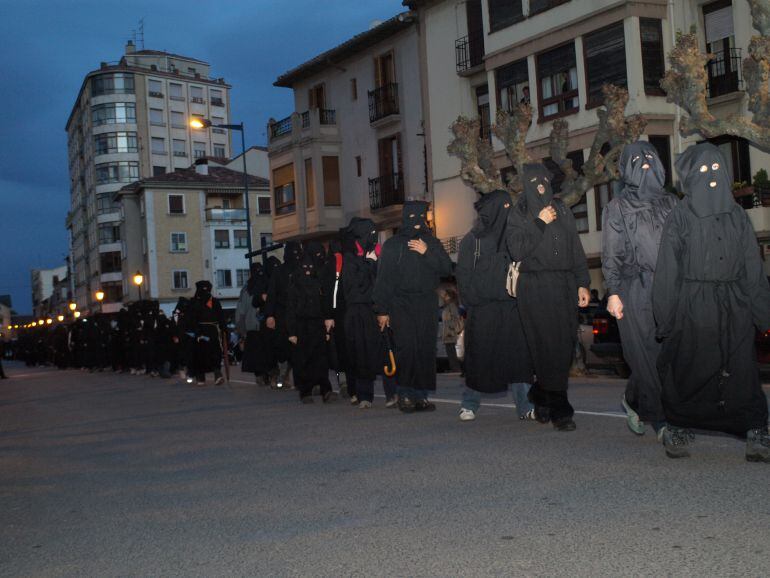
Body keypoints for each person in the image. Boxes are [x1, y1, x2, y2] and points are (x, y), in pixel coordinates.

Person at [653, 143, 770, 462]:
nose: (711, 177)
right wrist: (666, 318)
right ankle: (678, 426)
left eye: (717, 169)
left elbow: (752, 267)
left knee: (742, 370)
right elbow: (667, 270)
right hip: (694, 304)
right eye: (702, 171)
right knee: (691, 369)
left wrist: (764, 315)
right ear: (690, 177)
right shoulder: (681, 216)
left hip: (735, 305)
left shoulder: (737, 216)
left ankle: (756, 431)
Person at [602, 141, 678, 438]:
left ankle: (633, 399)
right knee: (644, 354)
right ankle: (661, 421)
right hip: (635, 289)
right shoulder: (617, 207)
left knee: (667, 355)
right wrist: (614, 292)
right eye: (637, 162)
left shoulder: (670, 202)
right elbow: (611, 253)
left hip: (670, 288)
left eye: (650, 159)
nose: (645, 165)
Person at [507, 163, 591, 431]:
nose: (540, 185)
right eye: (534, 181)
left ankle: (541, 396)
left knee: (564, 346)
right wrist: (539, 222)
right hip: (534, 287)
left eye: (544, 180)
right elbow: (517, 250)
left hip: (564, 285)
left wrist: (582, 283)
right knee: (545, 348)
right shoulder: (518, 213)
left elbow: (576, 248)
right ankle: (561, 410)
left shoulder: (563, 209)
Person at [455, 190, 536, 422]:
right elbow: (463, 273)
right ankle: (469, 404)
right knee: (479, 356)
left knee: (519, 359)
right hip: (483, 310)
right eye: (504, 207)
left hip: (512, 307)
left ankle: (526, 405)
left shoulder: (514, 236)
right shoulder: (473, 239)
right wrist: (473, 301)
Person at [373, 200, 453, 412]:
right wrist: (382, 310)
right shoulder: (393, 245)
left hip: (427, 303)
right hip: (401, 303)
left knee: (425, 349)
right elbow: (384, 280)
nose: (417, 223)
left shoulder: (432, 243)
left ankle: (421, 395)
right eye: (413, 217)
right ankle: (405, 394)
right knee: (406, 348)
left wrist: (427, 252)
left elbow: (446, 268)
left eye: (421, 217)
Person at [342, 217, 397, 409]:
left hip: (380, 310)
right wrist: (369, 264)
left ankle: (392, 393)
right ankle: (365, 395)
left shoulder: (379, 255)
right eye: (370, 234)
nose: (374, 238)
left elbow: (386, 283)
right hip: (360, 313)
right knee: (363, 353)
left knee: (386, 352)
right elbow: (354, 288)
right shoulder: (350, 259)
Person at [286, 253, 335, 403]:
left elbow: (324, 304)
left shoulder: (318, 283)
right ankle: (305, 392)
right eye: (304, 267)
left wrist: (327, 328)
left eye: (310, 267)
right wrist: (292, 332)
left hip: (317, 325)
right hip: (302, 326)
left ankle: (326, 390)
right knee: (304, 360)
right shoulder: (294, 285)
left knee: (321, 360)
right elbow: (290, 310)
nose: (308, 270)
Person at [265, 242, 302, 389]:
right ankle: (284, 373)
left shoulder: (302, 268)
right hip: (282, 315)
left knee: (298, 348)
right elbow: (272, 294)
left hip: (299, 314)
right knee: (283, 347)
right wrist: (270, 315)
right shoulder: (279, 272)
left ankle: (295, 377)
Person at [188, 280, 226, 386]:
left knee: (215, 352)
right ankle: (201, 376)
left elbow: (221, 316)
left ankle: (217, 374)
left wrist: (224, 328)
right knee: (200, 354)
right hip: (200, 333)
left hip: (212, 331)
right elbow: (191, 319)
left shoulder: (214, 302)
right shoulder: (194, 302)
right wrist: (197, 331)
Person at [439, 285, 463, 373]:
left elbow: (455, 319)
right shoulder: (448, 305)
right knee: (450, 352)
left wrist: (450, 328)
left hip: (450, 333)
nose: (442, 297)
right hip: (448, 332)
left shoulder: (451, 306)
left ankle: (456, 369)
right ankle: (454, 368)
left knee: (451, 352)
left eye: (444, 295)